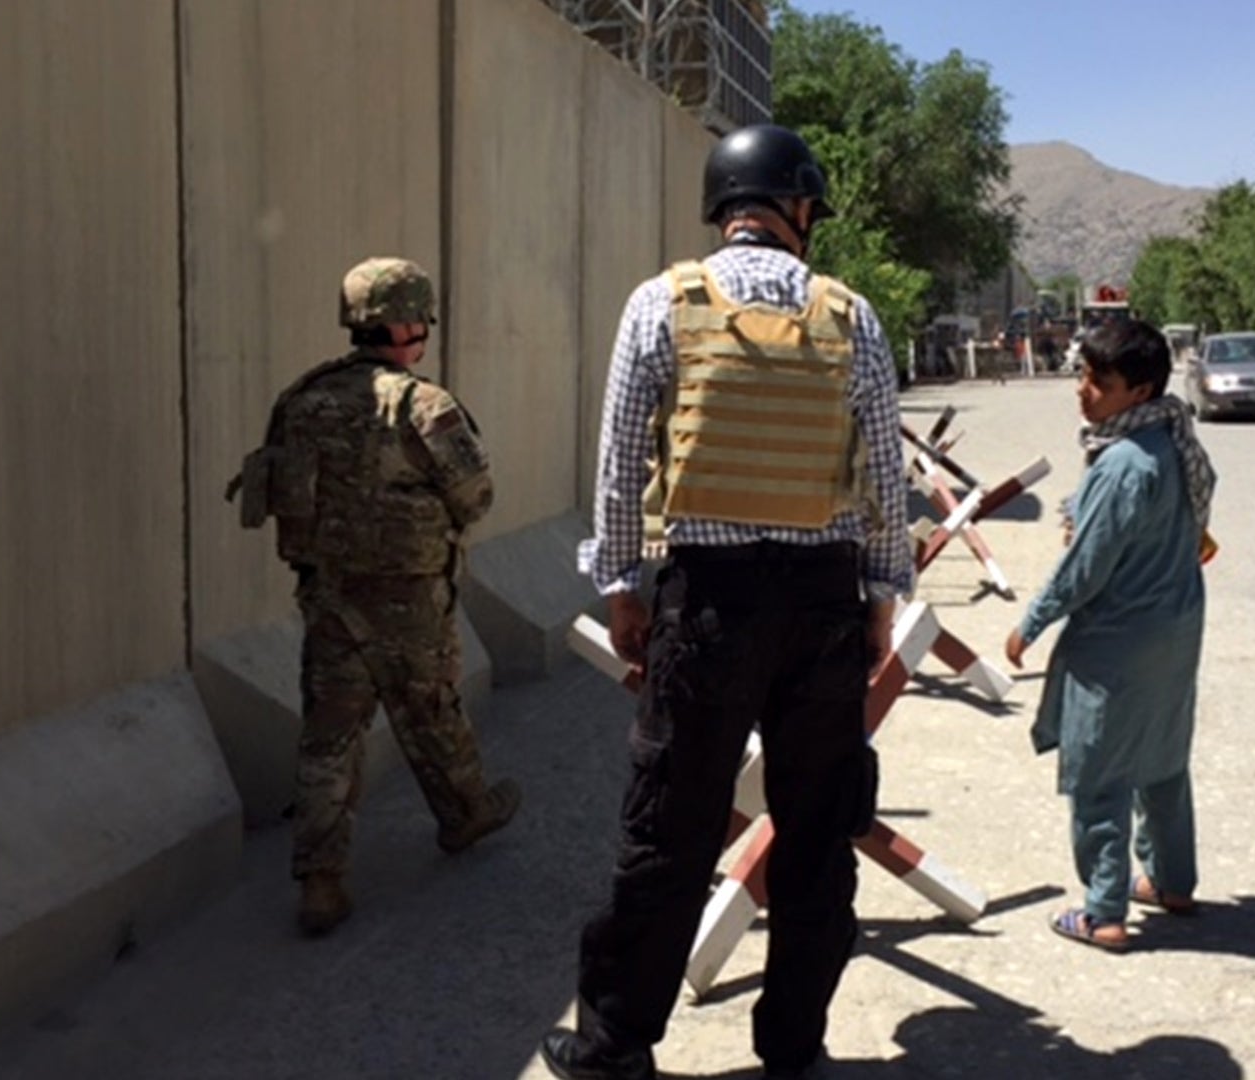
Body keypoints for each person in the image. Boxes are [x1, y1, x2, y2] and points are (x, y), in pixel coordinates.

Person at [539, 124, 913, 1080]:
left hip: (707, 606)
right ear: (795, 209)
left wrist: (621, 584)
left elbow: (622, 462)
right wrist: (881, 596)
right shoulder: (852, 315)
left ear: (724, 207)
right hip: (824, 603)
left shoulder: (660, 304)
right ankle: (794, 1048)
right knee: (818, 835)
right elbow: (883, 474)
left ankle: (614, 1049)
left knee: (672, 828)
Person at [231, 256, 521, 937]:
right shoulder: (424, 406)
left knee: (330, 734)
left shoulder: (302, 400)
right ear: (405, 323)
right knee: (430, 709)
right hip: (409, 598)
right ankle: (466, 812)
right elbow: (475, 495)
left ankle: (321, 880)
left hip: (329, 596)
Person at [1003, 318, 1217, 951]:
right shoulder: (1173, 446)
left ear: (1141, 390)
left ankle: (1103, 911)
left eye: (1101, 381)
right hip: (1175, 627)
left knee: (1099, 769)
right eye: (1083, 375)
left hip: (1119, 636)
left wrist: (1031, 621)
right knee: (1163, 758)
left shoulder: (1122, 463)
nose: (1084, 390)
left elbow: (1087, 566)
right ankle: (1172, 881)